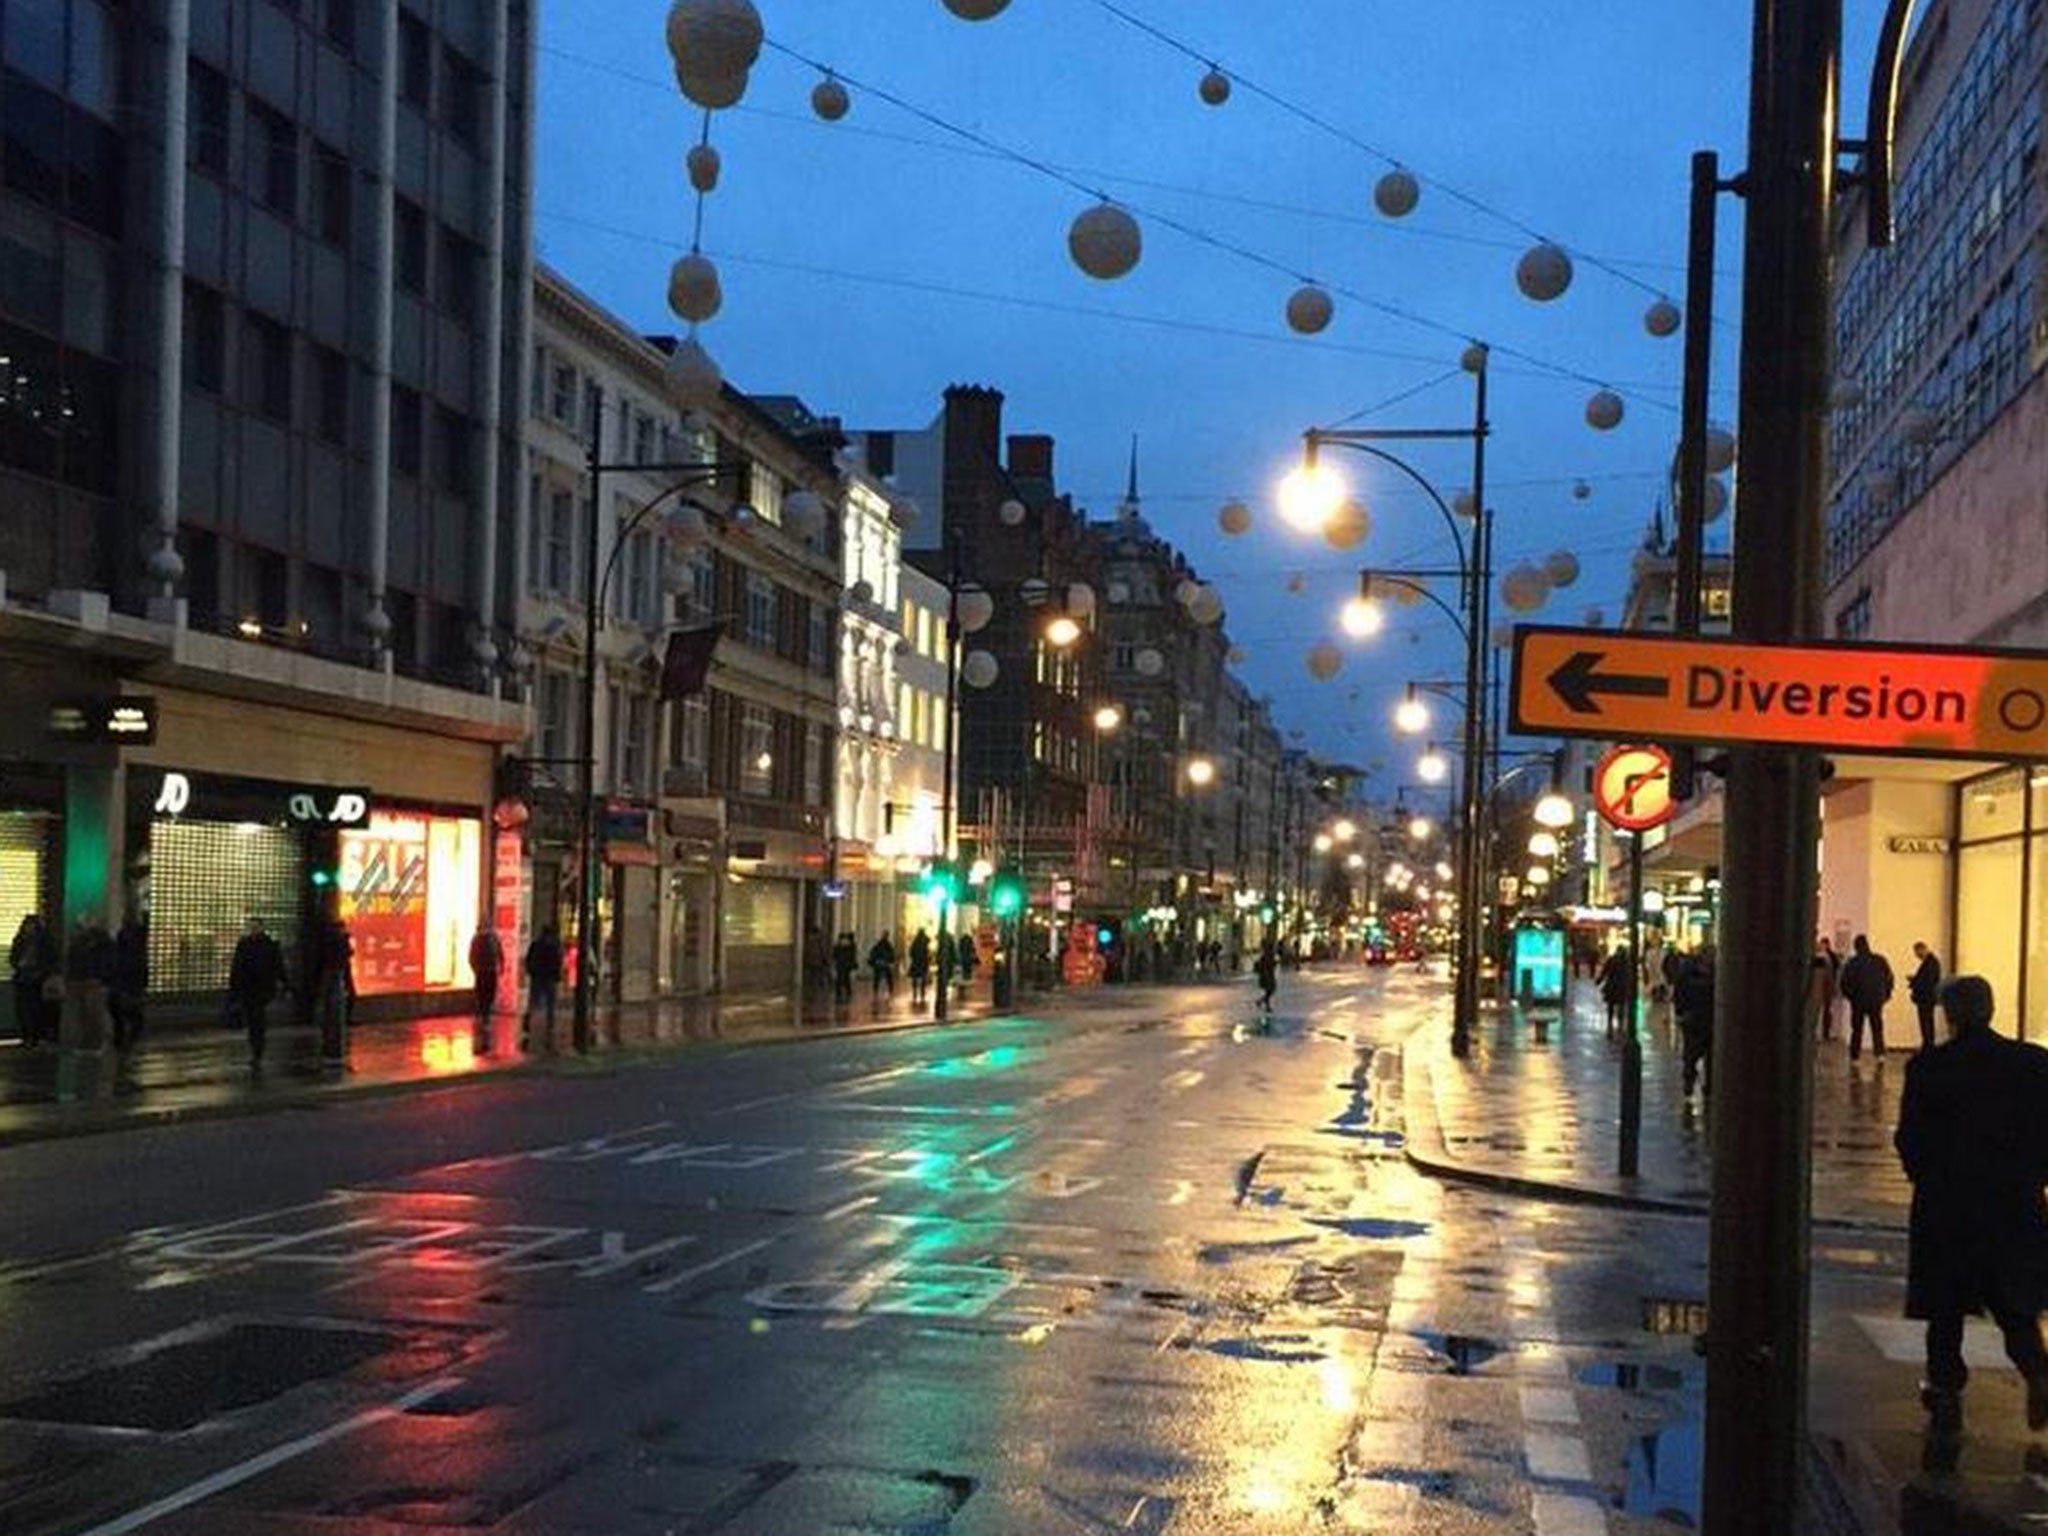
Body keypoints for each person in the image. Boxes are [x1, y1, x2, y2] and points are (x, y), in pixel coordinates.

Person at [1894, 975, 2048, 1438]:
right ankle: (2036, 1369)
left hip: (1948, 1201)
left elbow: (1910, 1138)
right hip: (2012, 1200)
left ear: (1949, 1014)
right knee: (2012, 1300)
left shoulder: (1929, 1068)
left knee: (1945, 1306)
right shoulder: (2034, 1064)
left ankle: (1944, 1388)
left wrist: (1925, 1176)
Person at [229, 917, 289, 1069]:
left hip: (261, 989)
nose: (253, 930)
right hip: (252, 988)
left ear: (261, 928)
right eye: (252, 927)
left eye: (255, 927)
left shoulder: (264, 945)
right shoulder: (251, 944)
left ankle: (257, 1049)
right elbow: (237, 967)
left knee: (256, 1018)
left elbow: (278, 966)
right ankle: (256, 1047)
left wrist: (286, 984)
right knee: (254, 1018)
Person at [1839, 934, 1894, 1062]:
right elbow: (1889, 979)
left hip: (1858, 1000)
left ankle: (1855, 1056)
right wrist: (1885, 995)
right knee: (1877, 1028)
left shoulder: (1853, 963)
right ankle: (1880, 1054)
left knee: (1857, 1029)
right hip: (1876, 1000)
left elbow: (1845, 983)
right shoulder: (1880, 960)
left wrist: (1851, 997)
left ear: (1856, 947)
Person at [1673, 946, 1716, 1099]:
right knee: (1691, 1055)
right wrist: (1681, 1012)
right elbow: (1679, 993)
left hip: (1711, 1021)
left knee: (1711, 1057)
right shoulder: (1688, 973)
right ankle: (1689, 1081)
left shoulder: (1718, 974)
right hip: (1694, 1021)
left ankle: (1709, 1086)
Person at [10, 913, 56, 1047]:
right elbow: (13, 956)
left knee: (34, 1008)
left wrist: (41, 972)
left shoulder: (43, 942)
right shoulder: (20, 940)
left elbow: (50, 959)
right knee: (23, 1009)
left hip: (36, 980)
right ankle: (26, 1035)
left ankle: (35, 1035)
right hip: (23, 978)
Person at [523, 924, 563, 1049]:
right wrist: (557, 976)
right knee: (550, 1002)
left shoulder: (535, 944)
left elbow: (529, 959)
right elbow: (557, 962)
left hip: (538, 976)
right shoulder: (553, 946)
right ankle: (550, 1024)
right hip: (548, 977)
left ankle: (527, 1022)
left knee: (534, 1001)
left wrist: (531, 971)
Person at [111, 916, 148, 1052]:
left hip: (126, 982)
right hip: (129, 982)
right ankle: (129, 1034)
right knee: (130, 1010)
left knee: (125, 1010)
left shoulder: (123, 947)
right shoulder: (137, 949)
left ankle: (123, 1036)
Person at [468, 925, 504, 1053]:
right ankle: (486, 1016)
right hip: (490, 970)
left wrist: (475, 968)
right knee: (489, 994)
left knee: (481, 994)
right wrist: (501, 966)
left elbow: (471, 956)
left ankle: (484, 1015)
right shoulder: (493, 939)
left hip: (481, 971)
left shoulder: (477, 939)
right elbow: (500, 953)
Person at [1909, 941, 1944, 1054]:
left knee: (1926, 1022)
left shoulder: (1930, 963)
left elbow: (1926, 981)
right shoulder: (1931, 962)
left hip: (1926, 998)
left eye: (1917, 953)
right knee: (1926, 1022)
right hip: (1927, 998)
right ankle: (1928, 1044)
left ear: (1922, 949)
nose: (1917, 956)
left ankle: (1928, 1045)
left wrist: (1914, 981)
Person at [1808, 939, 1840, 1042]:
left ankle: (1815, 1034)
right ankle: (1821, 1034)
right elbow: (1829, 979)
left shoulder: (1814, 962)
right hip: (1824, 993)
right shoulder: (1827, 961)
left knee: (1816, 1014)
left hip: (1815, 993)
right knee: (1823, 1014)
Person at [1597, 945, 1632, 1036]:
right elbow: (1629, 975)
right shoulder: (1627, 962)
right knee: (1621, 1007)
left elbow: (1605, 971)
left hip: (1612, 986)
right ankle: (1620, 1026)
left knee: (1611, 1006)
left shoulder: (1612, 959)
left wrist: (1599, 980)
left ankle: (1610, 1025)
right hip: (1622, 987)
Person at [868, 933, 896, 1002]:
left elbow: (873, 952)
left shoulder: (878, 944)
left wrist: (874, 961)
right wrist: (891, 961)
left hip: (878, 963)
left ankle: (876, 990)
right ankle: (890, 990)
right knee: (888, 978)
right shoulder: (888, 945)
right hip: (885, 964)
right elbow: (892, 954)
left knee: (877, 978)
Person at [907, 927, 932, 1006]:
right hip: (923, 963)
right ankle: (922, 993)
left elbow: (911, 952)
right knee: (923, 978)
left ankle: (915, 993)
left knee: (915, 979)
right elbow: (928, 952)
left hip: (916, 963)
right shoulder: (925, 942)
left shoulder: (915, 941)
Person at [832, 931, 858, 1005]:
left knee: (843, 979)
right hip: (843, 965)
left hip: (843, 965)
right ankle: (843, 993)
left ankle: (843, 993)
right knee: (842, 979)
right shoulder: (847, 947)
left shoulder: (845, 947)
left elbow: (835, 955)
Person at [1254, 938, 1278, 1014]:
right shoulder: (1268, 955)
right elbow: (1268, 965)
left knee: (1269, 991)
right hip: (1267, 975)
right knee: (1270, 990)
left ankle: (1261, 1002)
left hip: (1268, 975)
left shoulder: (1266, 955)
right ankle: (1265, 1005)